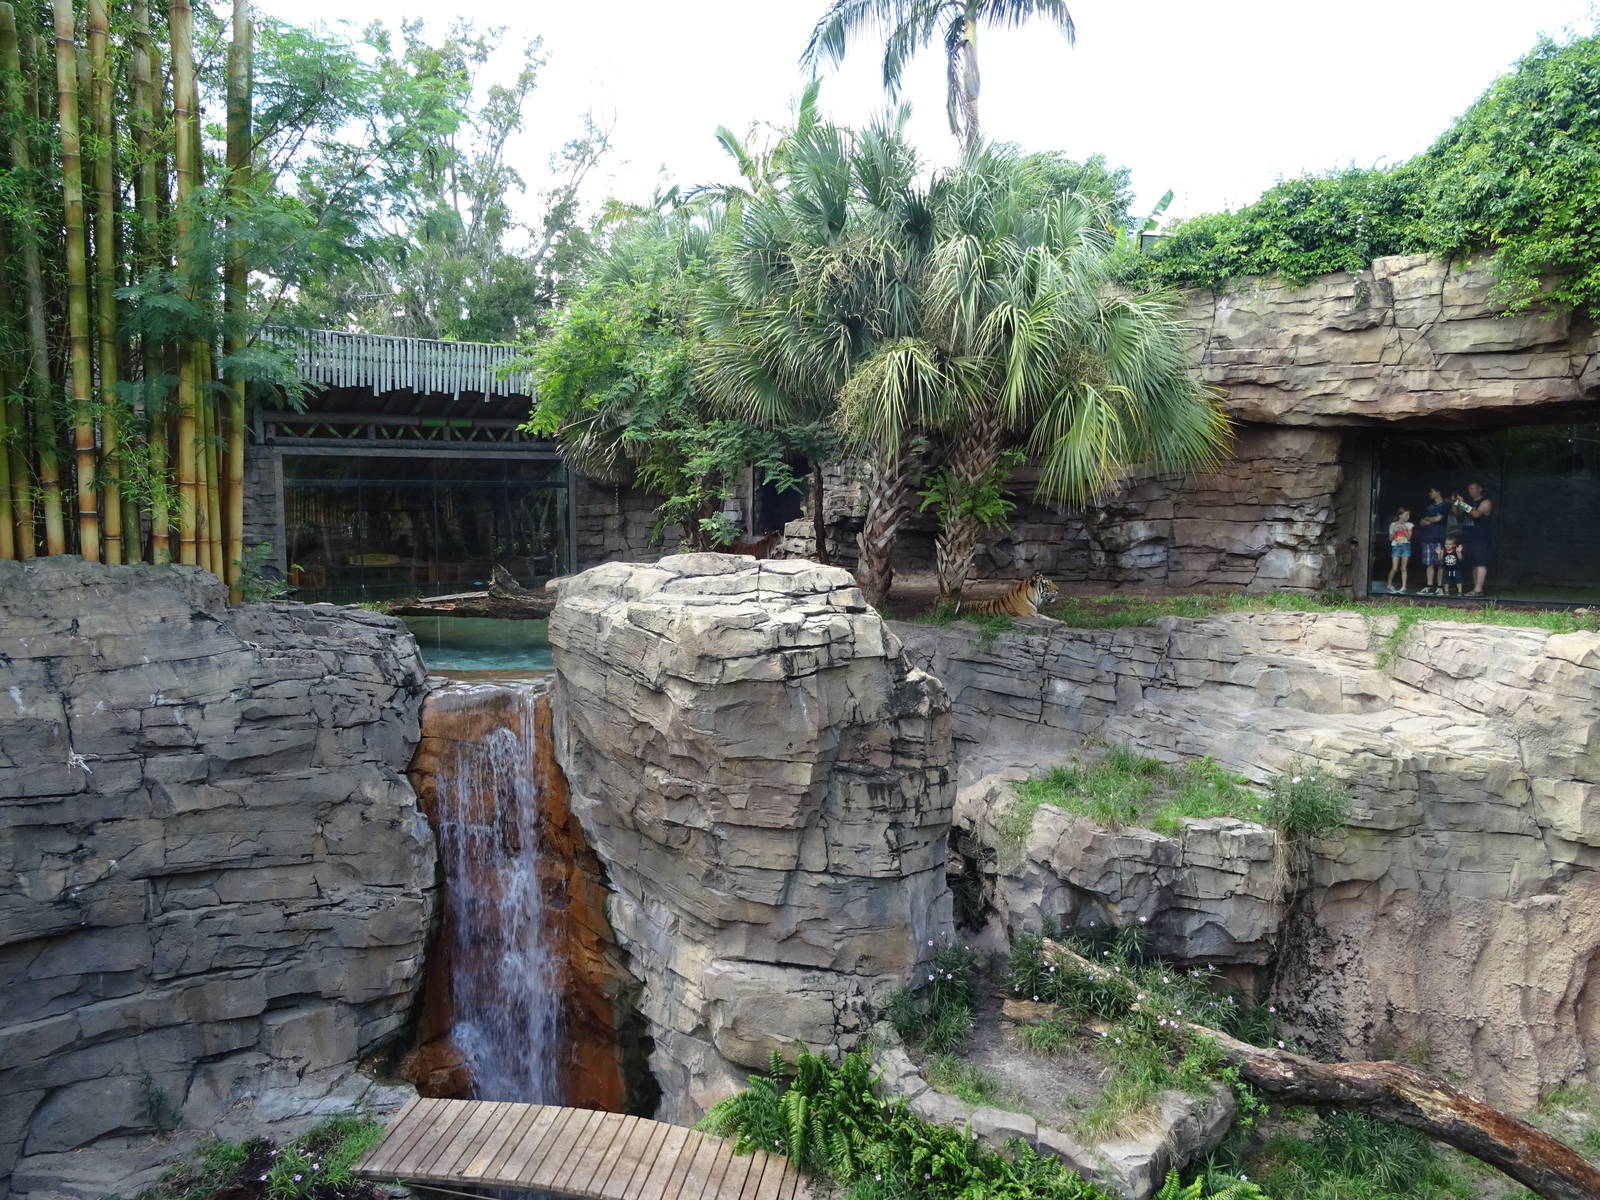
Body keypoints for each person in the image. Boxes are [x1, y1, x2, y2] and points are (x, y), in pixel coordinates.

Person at [1457, 480, 1493, 595]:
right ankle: (1475, 589)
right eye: (1469, 489)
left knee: (1481, 563)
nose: (1470, 491)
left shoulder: (1486, 502)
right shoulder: (1469, 503)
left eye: (1472, 488)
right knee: (1474, 564)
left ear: (1480, 489)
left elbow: (1476, 514)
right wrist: (1458, 503)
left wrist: (1462, 504)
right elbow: (1457, 514)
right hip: (1469, 538)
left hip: (1481, 538)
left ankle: (1479, 589)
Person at [1416, 486, 1449, 595]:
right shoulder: (1428, 506)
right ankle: (1429, 586)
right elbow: (1421, 521)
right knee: (1429, 563)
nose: (1430, 493)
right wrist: (1430, 519)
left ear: (1438, 492)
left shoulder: (1444, 505)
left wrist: (1428, 519)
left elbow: (1438, 519)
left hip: (1439, 537)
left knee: (1440, 563)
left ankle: (1440, 587)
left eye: (1432, 491)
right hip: (1427, 537)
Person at [1385, 506, 1413, 594]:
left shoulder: (1409, 525)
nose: (1408, 517)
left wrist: (1405, 530)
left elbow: (1409, 538)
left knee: (1403, 568)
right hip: (1396, 546)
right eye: (1406, 515)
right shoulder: (1393, 524)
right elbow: (1390, 538)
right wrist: (1394, 531)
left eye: (1408, 515)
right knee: (1394, 567)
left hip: (1405, 547)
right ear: (1400, 515)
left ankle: (1404, 587)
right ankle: (1389, 585)